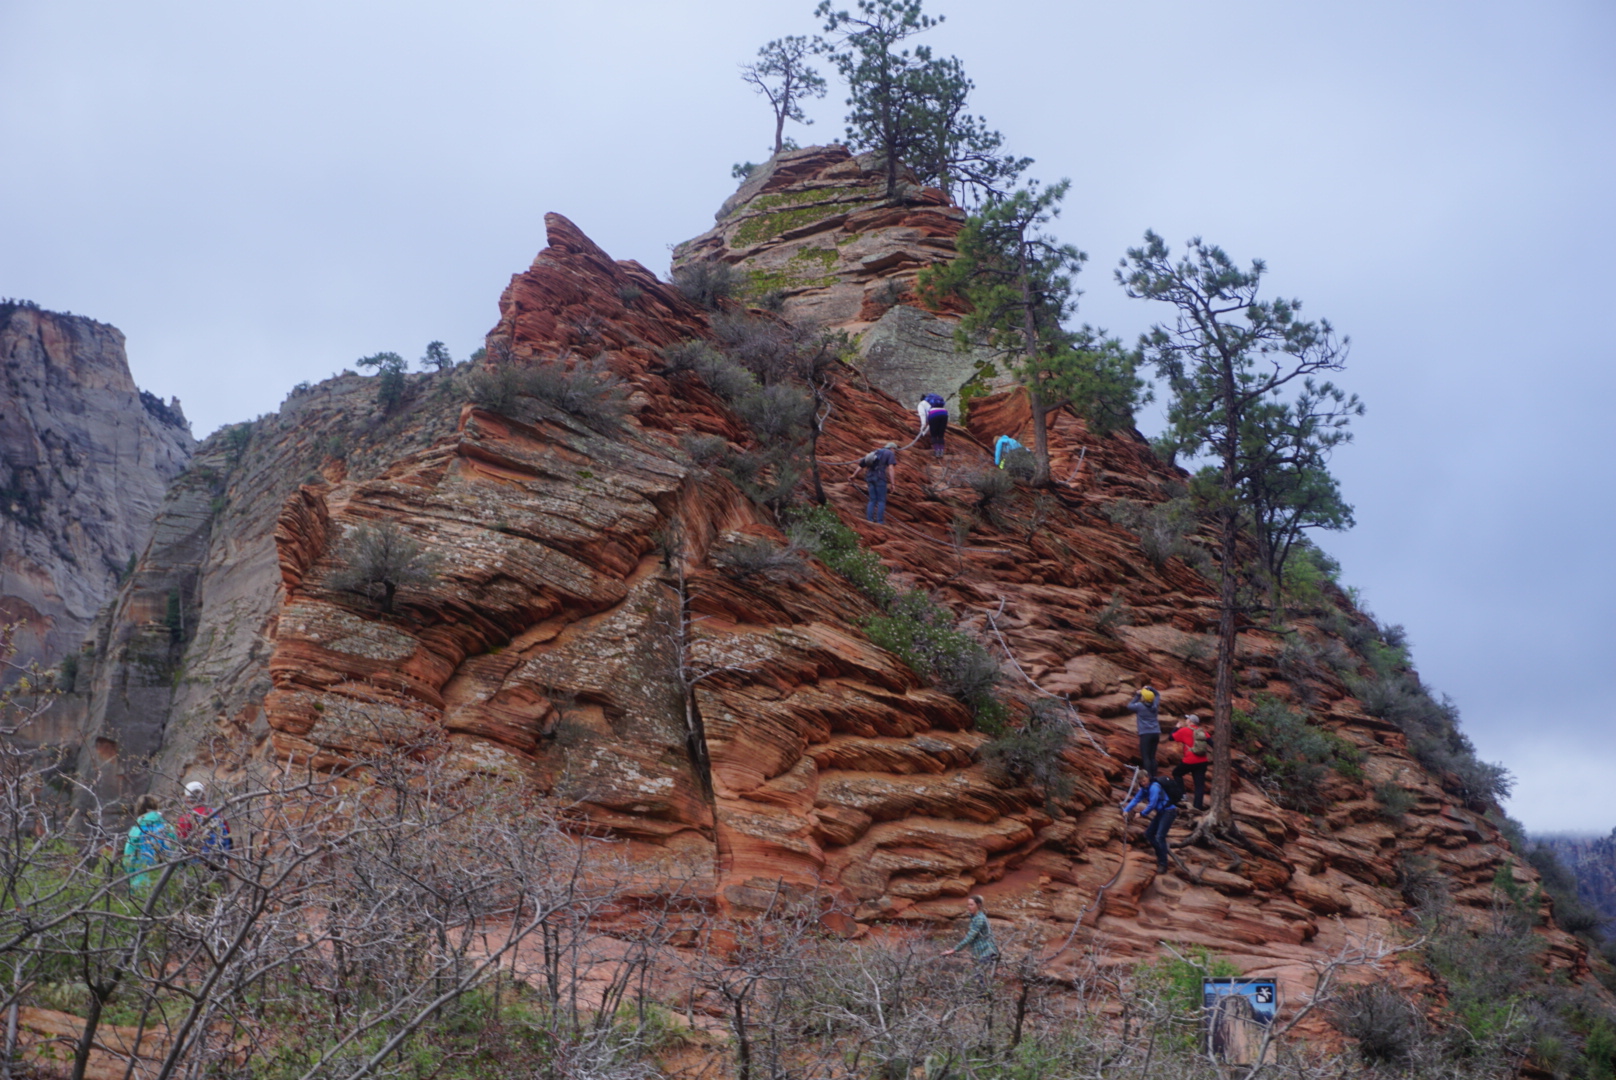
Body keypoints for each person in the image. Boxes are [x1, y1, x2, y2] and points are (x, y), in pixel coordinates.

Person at [1122, 774, 1183, 874]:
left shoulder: (1154, 787)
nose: (1143, 783)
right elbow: (1136, 799)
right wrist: (1126, 810)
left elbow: (1152, 804)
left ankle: (1163, 864)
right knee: (1149, 834)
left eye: (1144, 780)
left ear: (1148, 778)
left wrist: (1142, 813)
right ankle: (1160, 853)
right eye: (1141, 782)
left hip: (1169, 811)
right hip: (1161, 812)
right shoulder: (1144, 789)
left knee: (1160, 836)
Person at [122, 794, 178, 891]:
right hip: (168, 884)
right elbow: (176, 854)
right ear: (156, 808)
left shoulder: (136, 831)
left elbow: (128, 861)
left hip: (141, 884)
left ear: (139, 810)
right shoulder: (168, 829)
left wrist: (131, 878)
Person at [942, 894, 998, 986]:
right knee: (978, 978)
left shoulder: (979, 918)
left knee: (978, 977)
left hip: (987, 952)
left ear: (978, 905)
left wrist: (954, 949)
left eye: (971, 905)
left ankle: (983, 998)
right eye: (968, 905)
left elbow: (970, 937)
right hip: (980, 953)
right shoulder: (975, 917)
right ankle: (982, 997)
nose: (969, 907)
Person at [176, 780, 233, 862]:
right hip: (221, 859)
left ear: (187, 799)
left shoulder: (185, 819)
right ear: (204, 797)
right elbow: (229, 837)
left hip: (198, 864)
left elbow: (182, 844)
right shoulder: (217, 812)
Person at [1170, 714, 1211, 812]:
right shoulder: (1202, 731)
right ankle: (1197, 808)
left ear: (1190, 721)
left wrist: (1176, 728)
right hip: (1202, 761)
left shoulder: (1184, 730)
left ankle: (1182, 795)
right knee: (1199, 785)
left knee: (1176, 773)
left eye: (1187, 719)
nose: (1186, 720)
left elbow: (1171, 737)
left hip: (1190, 760)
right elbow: (1211, 743)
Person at [859, 441, 899, 524]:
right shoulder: (890, 453)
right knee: (881, 501)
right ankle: (879, 521)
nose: (895, 452)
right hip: (880, 478)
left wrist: (853, 475)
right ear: (892, 448)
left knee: (872, 500)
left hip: (869, 477)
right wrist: (892, 483)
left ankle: (869, 519)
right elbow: (891, 468)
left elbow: (862, 464)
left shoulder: (875, 452)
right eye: (895, 450)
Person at [1127, 686, 1162, 776]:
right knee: (1152, 757)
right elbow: (1157, 694)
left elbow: (1129, 705)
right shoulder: (1155, 704)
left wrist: (1138, 695)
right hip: (1156, 733)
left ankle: (1148, 777)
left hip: (1146, 734)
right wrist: (1150, 688)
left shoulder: (1139, 706)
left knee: (1146, 757)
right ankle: (1154, 776)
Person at [916, 393, 948, 459]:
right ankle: (941, 452)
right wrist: (924, 432)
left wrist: (923, 425)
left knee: (934, 435)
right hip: (944, 413)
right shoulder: (933, 403)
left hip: (934, 414)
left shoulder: (921, 404)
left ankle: (937, 452)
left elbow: (922, 415)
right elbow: (930, 424)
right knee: (940, 435)